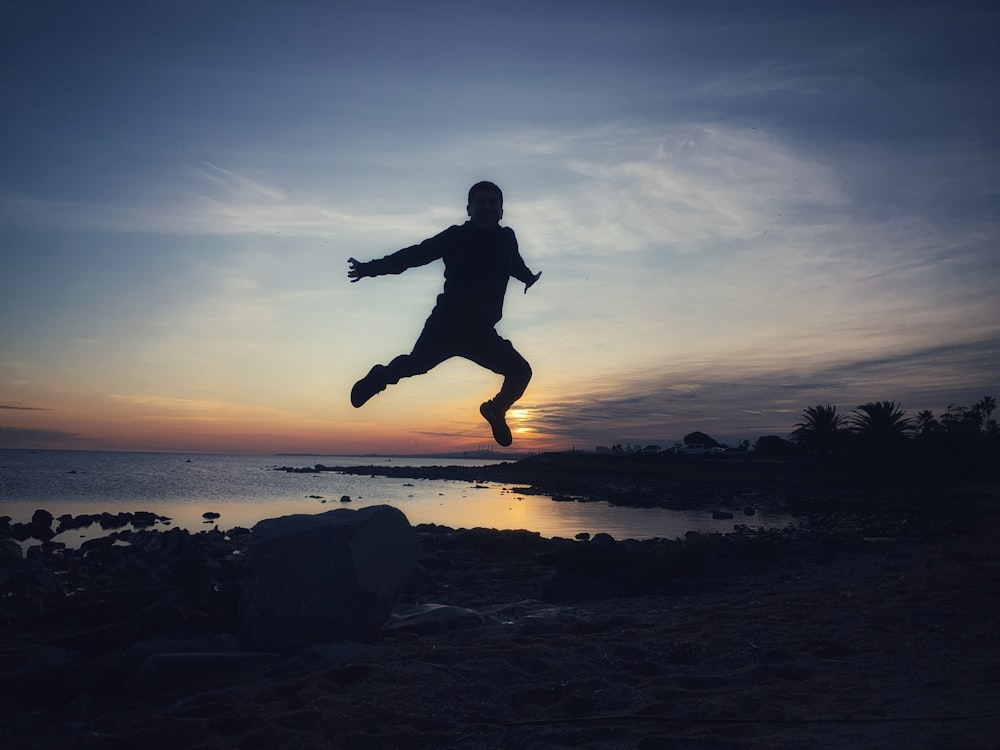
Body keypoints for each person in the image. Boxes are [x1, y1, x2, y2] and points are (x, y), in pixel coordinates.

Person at [347, 181, 542, 447]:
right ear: (469, 208)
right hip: (446, 325)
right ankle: (378, 377)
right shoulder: (455, 237)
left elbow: (514, 263)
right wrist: (370, 268)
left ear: (501, 210)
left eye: (492, 202)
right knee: (415, 365)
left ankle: (495, 410)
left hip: (482, 333)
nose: (486, 206)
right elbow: (414, 255)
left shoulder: (507, 238)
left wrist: (527, 277)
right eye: (481, 201)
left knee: (521, 372)